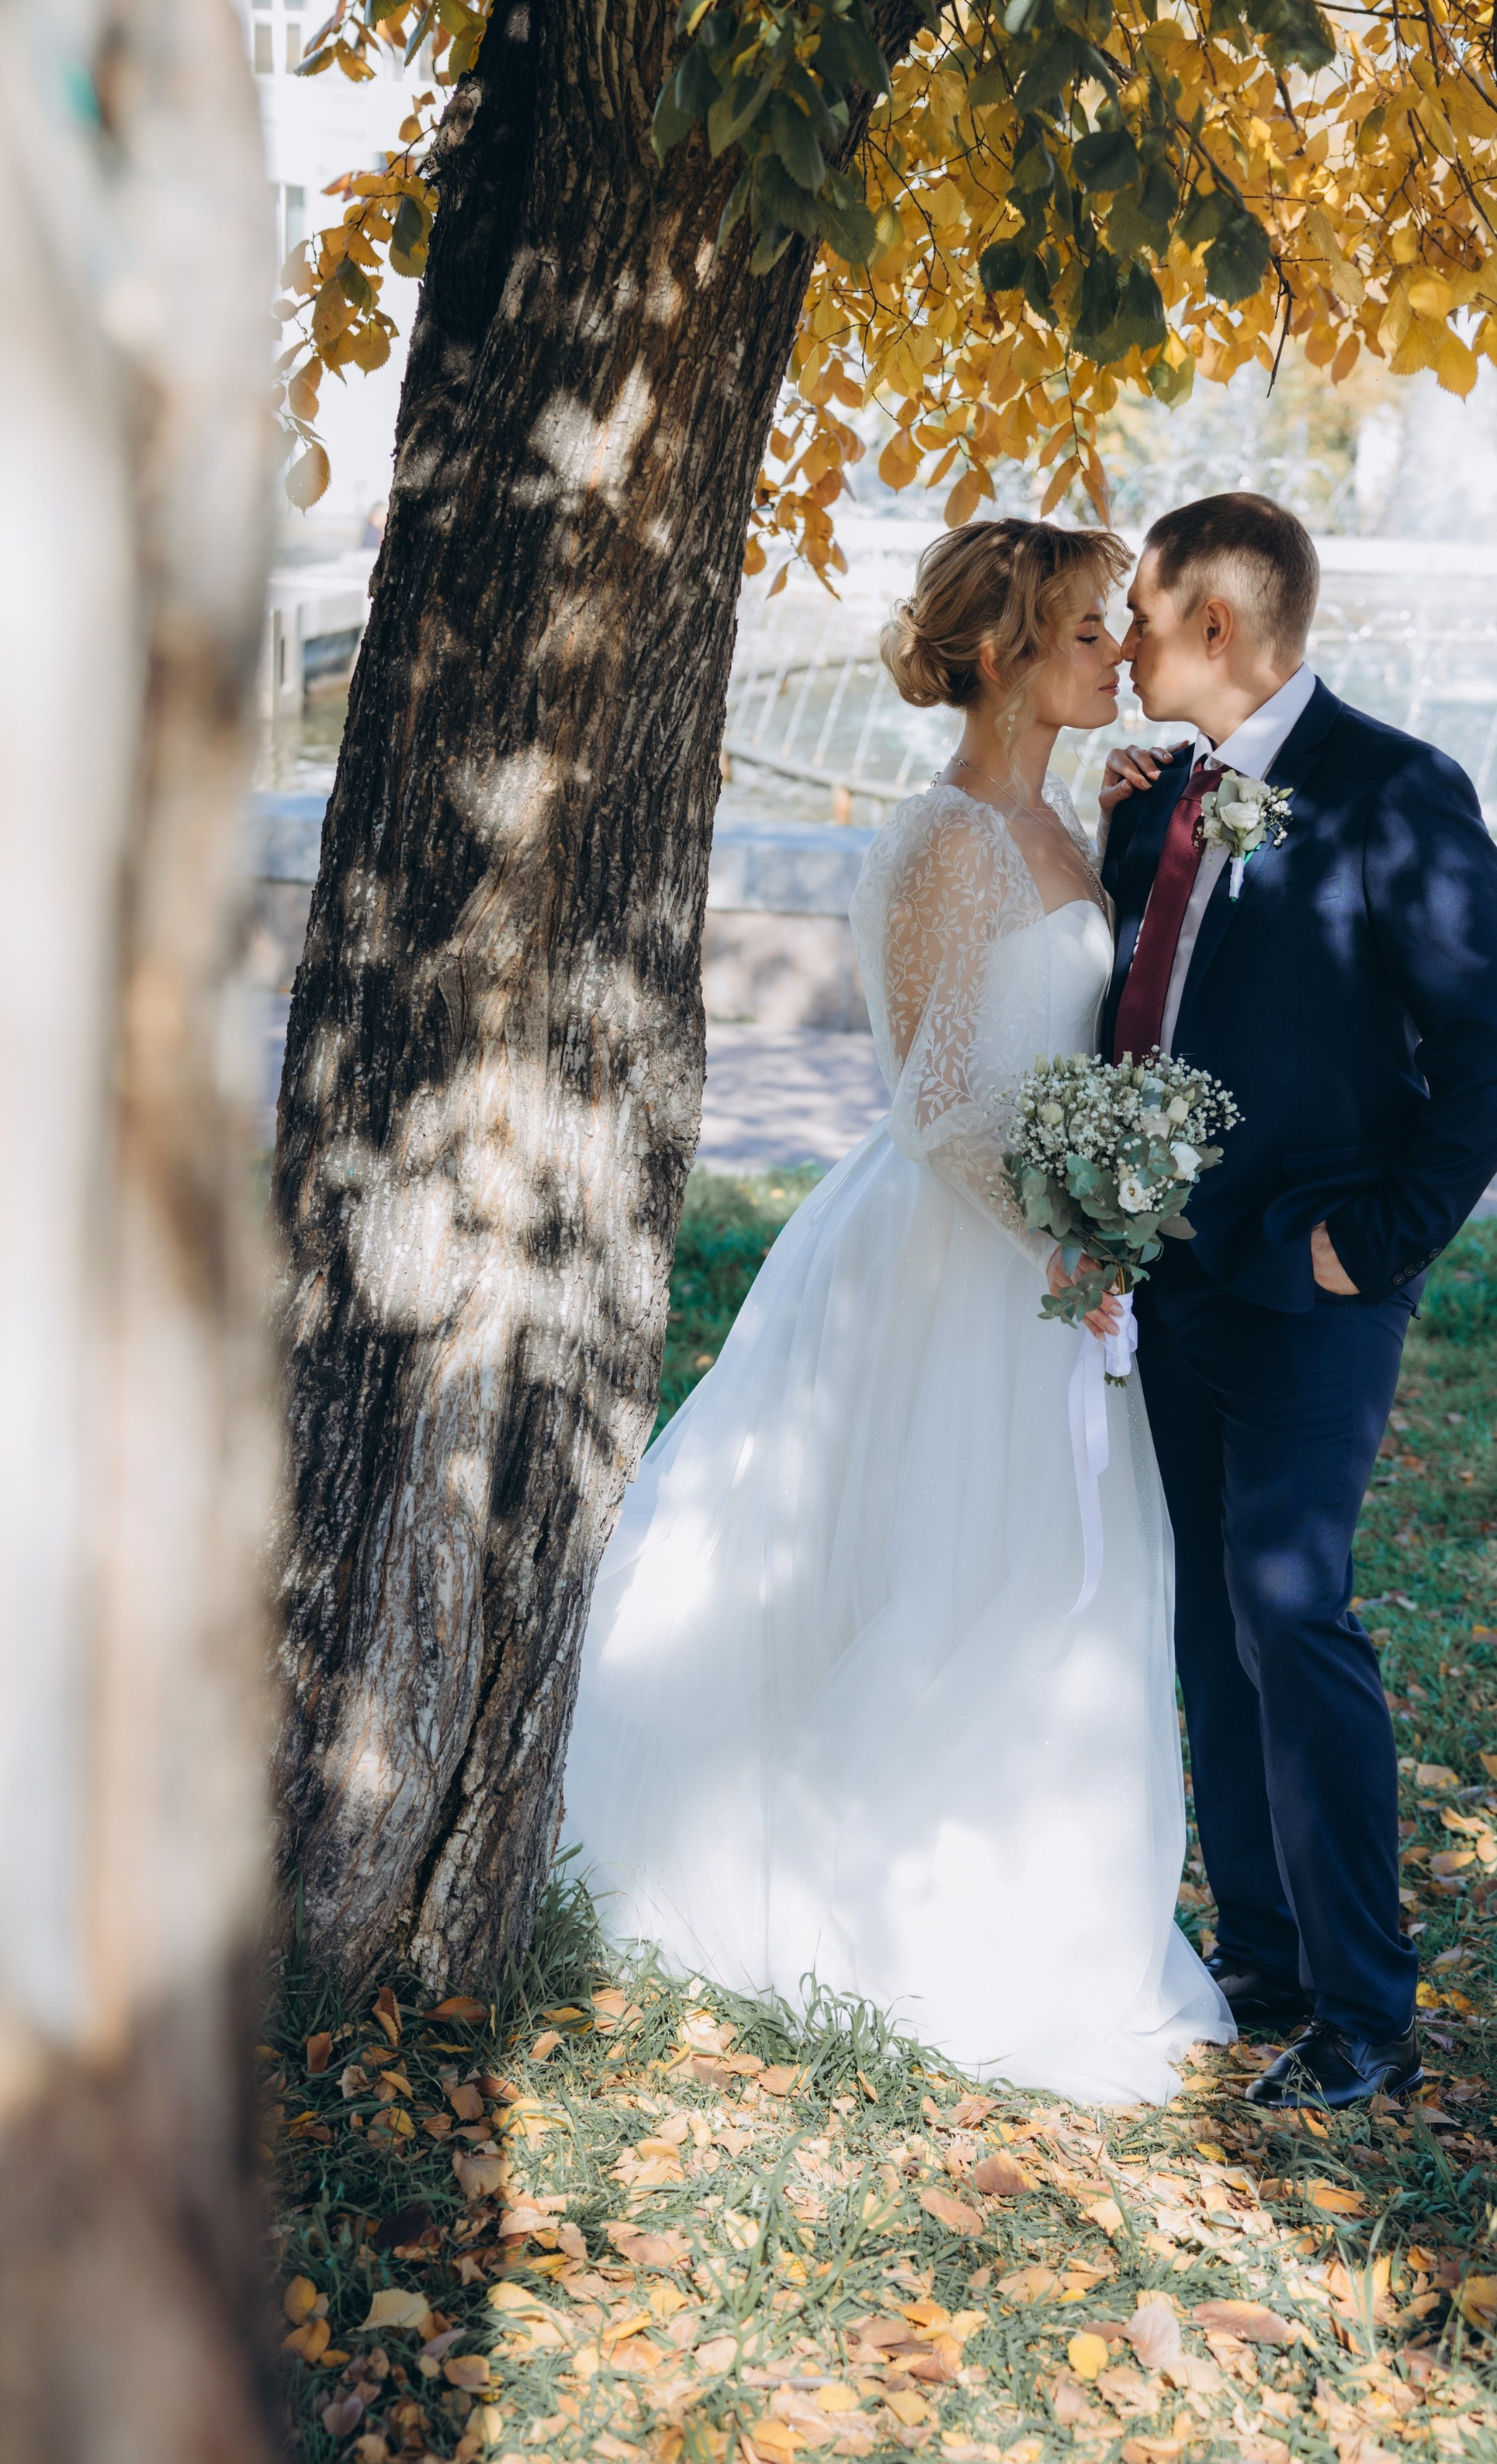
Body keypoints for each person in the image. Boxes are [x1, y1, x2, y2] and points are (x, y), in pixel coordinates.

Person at [564, 521, 1231, 2103]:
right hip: (959, 1254)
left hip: (1049, 1257)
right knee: (954, 1565)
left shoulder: (1066, 822)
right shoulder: (943, 841)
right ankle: (893, 1910)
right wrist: (1076, 1243)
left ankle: (1035, 1890)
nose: (1111, 655)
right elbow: (936, 1108)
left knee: (1055, 1576)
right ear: (997, 654)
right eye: (1081, 630)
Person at [1100, 494, 1497, 2109]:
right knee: (1207, 1627)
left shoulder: (1391, 788)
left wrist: (1376, 1242)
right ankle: (1265, 1956)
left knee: (1290, 1609)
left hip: (1312, 1290)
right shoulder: (1161, 798)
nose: (1120, 641)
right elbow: (1143, 1007)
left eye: (1138, 616)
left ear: (1213, 627)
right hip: (1171, 1284)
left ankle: (1366, 2008)